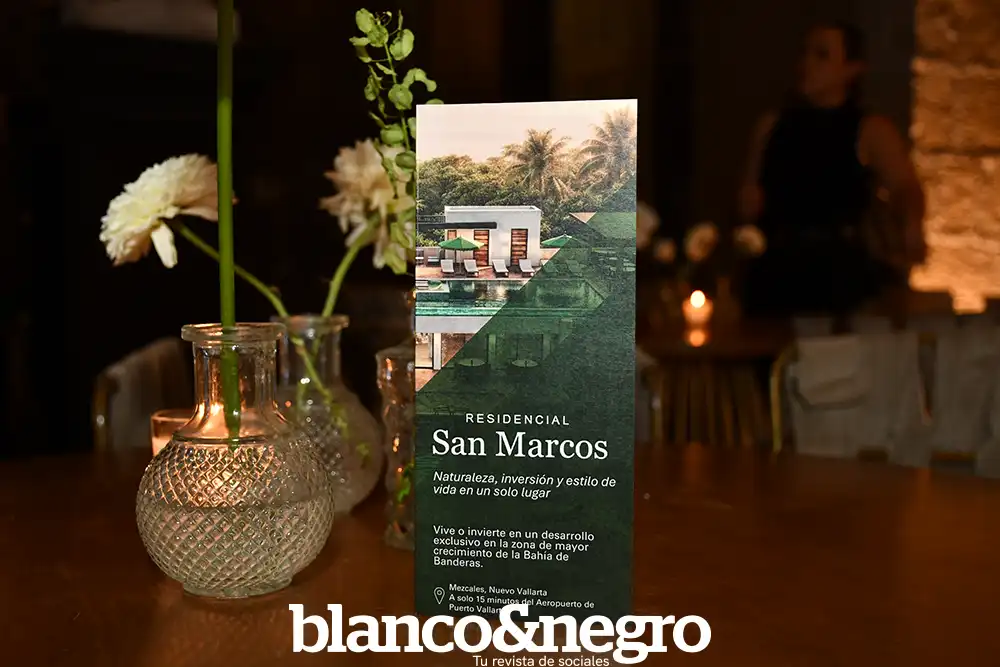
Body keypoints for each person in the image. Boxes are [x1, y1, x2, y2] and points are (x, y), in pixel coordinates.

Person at [737, 21, 926, 318]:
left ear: (851, 69)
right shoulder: (772, 126)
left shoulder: (869, 130)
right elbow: (749, 198)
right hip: (777, 271)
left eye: (821, 55)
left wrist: (910, 224)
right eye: (805, 53)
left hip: (839, 275)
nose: (807, 64)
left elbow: (905, 186)